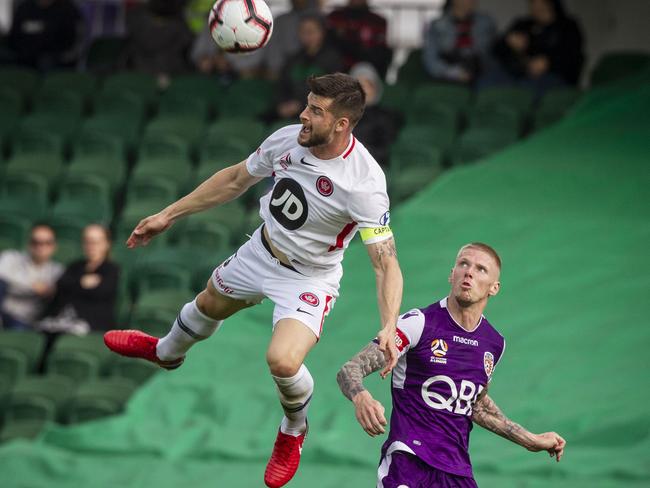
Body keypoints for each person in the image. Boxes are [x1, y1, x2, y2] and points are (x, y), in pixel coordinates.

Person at [104, 72, 403, 488]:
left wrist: (389, 325)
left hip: (309, 279)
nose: (303, 115)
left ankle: (293, 430)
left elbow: (385, 263)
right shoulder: (289, 139)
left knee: (282, 360)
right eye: (307, 104)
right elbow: (234, 179)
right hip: (260, 252)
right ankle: (165, 352)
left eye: (315, 111)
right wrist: (168, 214)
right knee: (207, 305)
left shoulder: (364, 183)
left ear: (341, 124)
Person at [337, 243, 566, 487]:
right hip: (408, 462)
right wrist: (361, 397)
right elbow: (349, 370)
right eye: (463, 264)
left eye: (480, 269)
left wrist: (530, 440)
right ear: (451, 274)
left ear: (494, 288)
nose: (469, 272)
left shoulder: (494, 343)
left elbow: (475, 405)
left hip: (458, 472)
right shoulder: (419, 323)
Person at [479, 0, 584, 97]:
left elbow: (573, 57)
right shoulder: (523, 25)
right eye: (533, 3)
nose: (537, 7)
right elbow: (496, 49)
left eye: (542, 4)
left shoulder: (568, 26)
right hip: (517, 72)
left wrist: (549, 62)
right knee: (489, 79)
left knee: (523, 90)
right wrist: (508, 42)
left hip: (552, 76)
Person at [40, 224, 119, 335]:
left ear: (106, 244)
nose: (90, 246)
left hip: (92, 323)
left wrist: (73, 286)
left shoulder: (111, 269)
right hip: (63, 319)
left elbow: (102, 292)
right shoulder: (75, 266)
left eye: (95, 242)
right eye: (87, 241)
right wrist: (82, 283)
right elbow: (61, 285)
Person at [273, 15, 343, 121]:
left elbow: (333, 93)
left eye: (311, 31)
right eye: (303, 31)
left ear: (322, 33)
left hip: (319, 116)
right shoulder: (292, 59)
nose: (307, 35)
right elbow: (282, 86)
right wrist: (282, 104)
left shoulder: (333, 60)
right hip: (289, 114)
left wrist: (301, 105)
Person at [0, 224, 63, 330]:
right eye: (36, 242)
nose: (41, 247)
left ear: (54, 246)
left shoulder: (57, 271)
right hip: (3, 311)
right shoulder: (11, 257)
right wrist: (32, 287)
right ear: (29, 243)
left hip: (26, 321)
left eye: (47, 243)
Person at [422, 0, 497, 84]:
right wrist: (454, 73)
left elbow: (493, 52)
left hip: (481, 69)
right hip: (449, 69)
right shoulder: (437, 25)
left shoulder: (486, 22)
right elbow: (430, 60)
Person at [349, 62, 401, 168]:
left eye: (366, 86)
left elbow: (385, 151)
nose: (361, 91)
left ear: (375, 89)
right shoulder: (342, 114)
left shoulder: (385, 117)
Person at [6, 0, 83, 70]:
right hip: (24, 60)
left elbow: (76, 44)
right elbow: (13, 38)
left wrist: (60, 58)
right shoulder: (24, 8)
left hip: (57, 62)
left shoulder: (68, 10)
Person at [326, 0, 392, 76]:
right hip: (337, 73)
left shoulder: (378, 21)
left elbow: (380, 56)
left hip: (368, 74)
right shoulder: (335, 18)